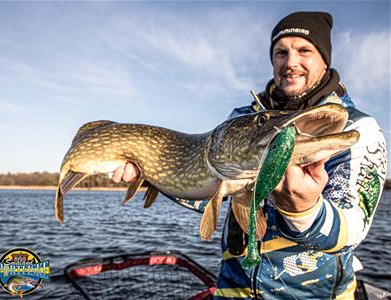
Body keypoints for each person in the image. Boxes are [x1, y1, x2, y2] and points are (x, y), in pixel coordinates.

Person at [113, 11, 387, 299]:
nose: (290, 62)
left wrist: (304, 211)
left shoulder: (357, 126)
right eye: (281, 52)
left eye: (304, 50)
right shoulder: (241, 120)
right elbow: (211, 188)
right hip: (232, 291)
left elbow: (353, 227)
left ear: (324, 59)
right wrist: (153, 173)